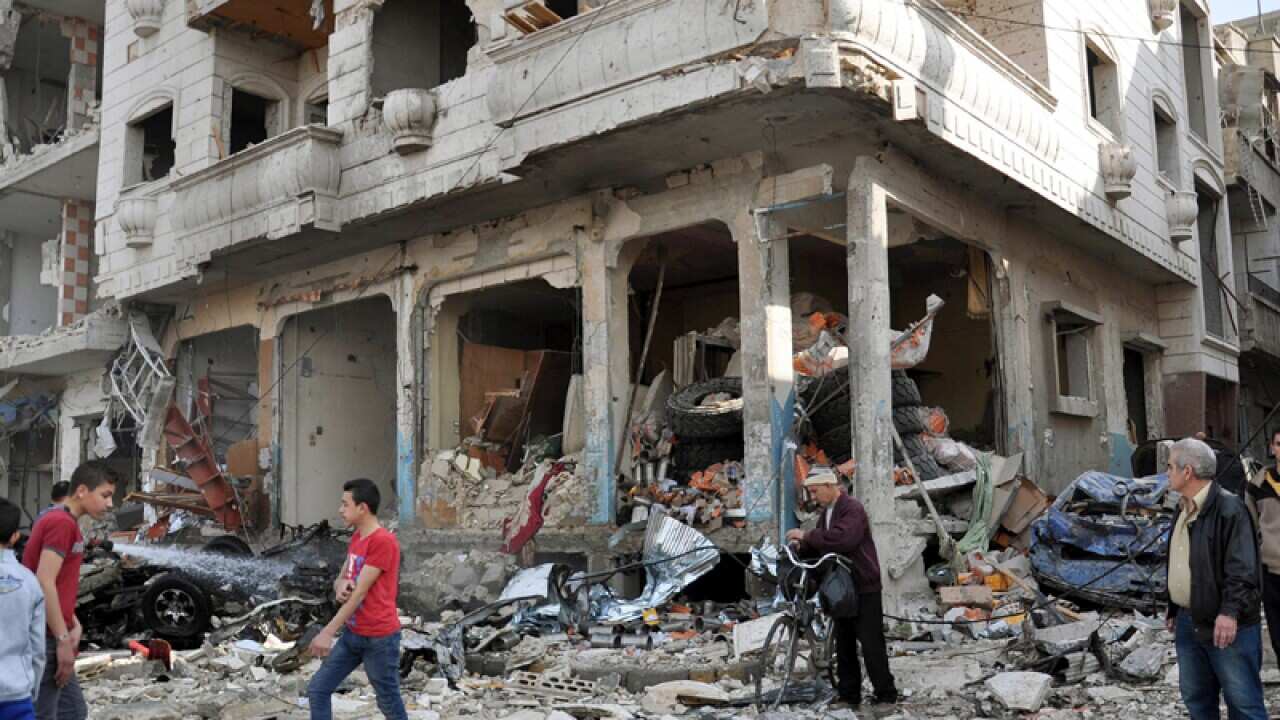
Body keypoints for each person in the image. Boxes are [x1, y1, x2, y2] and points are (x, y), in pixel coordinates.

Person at [1165, 437, 1266, 720]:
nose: (1166, 472)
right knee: (1197, 701)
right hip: (1189, 621)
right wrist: (1174, 607)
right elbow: (1183, 561)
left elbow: (1243, 570)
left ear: (1188, 472)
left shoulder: (1229, 509)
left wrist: (1229, 612)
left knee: (1243, 704)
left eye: (1170, 466)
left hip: (1226, 626)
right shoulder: (1182, 508)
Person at [785, 469, 898, 707]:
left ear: (829, 485)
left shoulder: (852, 509)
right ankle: (849, 695)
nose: (814, 497)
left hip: (863, 585)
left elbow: (843, 539)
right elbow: (821, 545)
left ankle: (886, 695)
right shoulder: (826, 514)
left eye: (815, 491)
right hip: (839, 588)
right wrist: (800, 547)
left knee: (870, 643)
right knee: (843, 643)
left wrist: (807, 535)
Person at [22, 460, 117, 720]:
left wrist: (73, 622)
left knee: (73, 711)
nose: (109, 504)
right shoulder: (61, 523)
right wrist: (62, 639)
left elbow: (59, 583)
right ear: (82, 491)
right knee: (46, 714)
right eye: (105, 495)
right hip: (46, 637)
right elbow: (44, 581)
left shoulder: (67, 522)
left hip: (54, 632)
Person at [307, 479, 405, 720]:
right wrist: (339, 585)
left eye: (345, 504)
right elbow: (342, 577)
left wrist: (328, 632)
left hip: (379, 638)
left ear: (362, 508)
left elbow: (360, 593)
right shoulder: (357, 537)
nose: (340, 510)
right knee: (318, 689)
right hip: (354, 635)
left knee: (388, 701)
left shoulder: (383, 541)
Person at [0, 498, 45, 720]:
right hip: (16, 695)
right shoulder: (29, 582)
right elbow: (37, 648)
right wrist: (31, 689)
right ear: (15, 536)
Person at [1246, 428, 1280, 665]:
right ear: (1272, 448)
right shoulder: (1257, 487)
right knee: (1279, 637)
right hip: (1272, 574)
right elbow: (1248, 529)